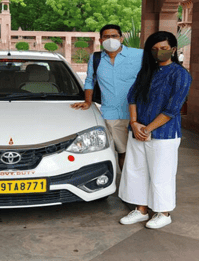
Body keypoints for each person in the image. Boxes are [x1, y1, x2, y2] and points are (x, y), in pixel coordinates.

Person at [118, 31, 191, 229]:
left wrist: (147, 129)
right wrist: (134, 123)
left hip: (163, 134)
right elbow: (132, 97)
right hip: (138, 130)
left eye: (164, 49)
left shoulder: (180, 74)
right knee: (135, 171)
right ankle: (140, 210)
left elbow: (172, 109)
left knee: (161, 174)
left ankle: (163, 213)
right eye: (155, 49)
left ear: (173, 50)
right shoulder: (146, 72)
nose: (159, 52)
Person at [71, 24, 143, 171]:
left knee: (140, 153)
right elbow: (90, 80)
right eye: (106, 37)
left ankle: (142, 188)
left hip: (138, 112)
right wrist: (87, 101)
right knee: (122, 152)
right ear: (100, 40)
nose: (110, 39)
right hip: (111, 114)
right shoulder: (96, 58)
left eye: (114, 36)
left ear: (121, 38)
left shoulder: (139, 55)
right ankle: (127, 187)